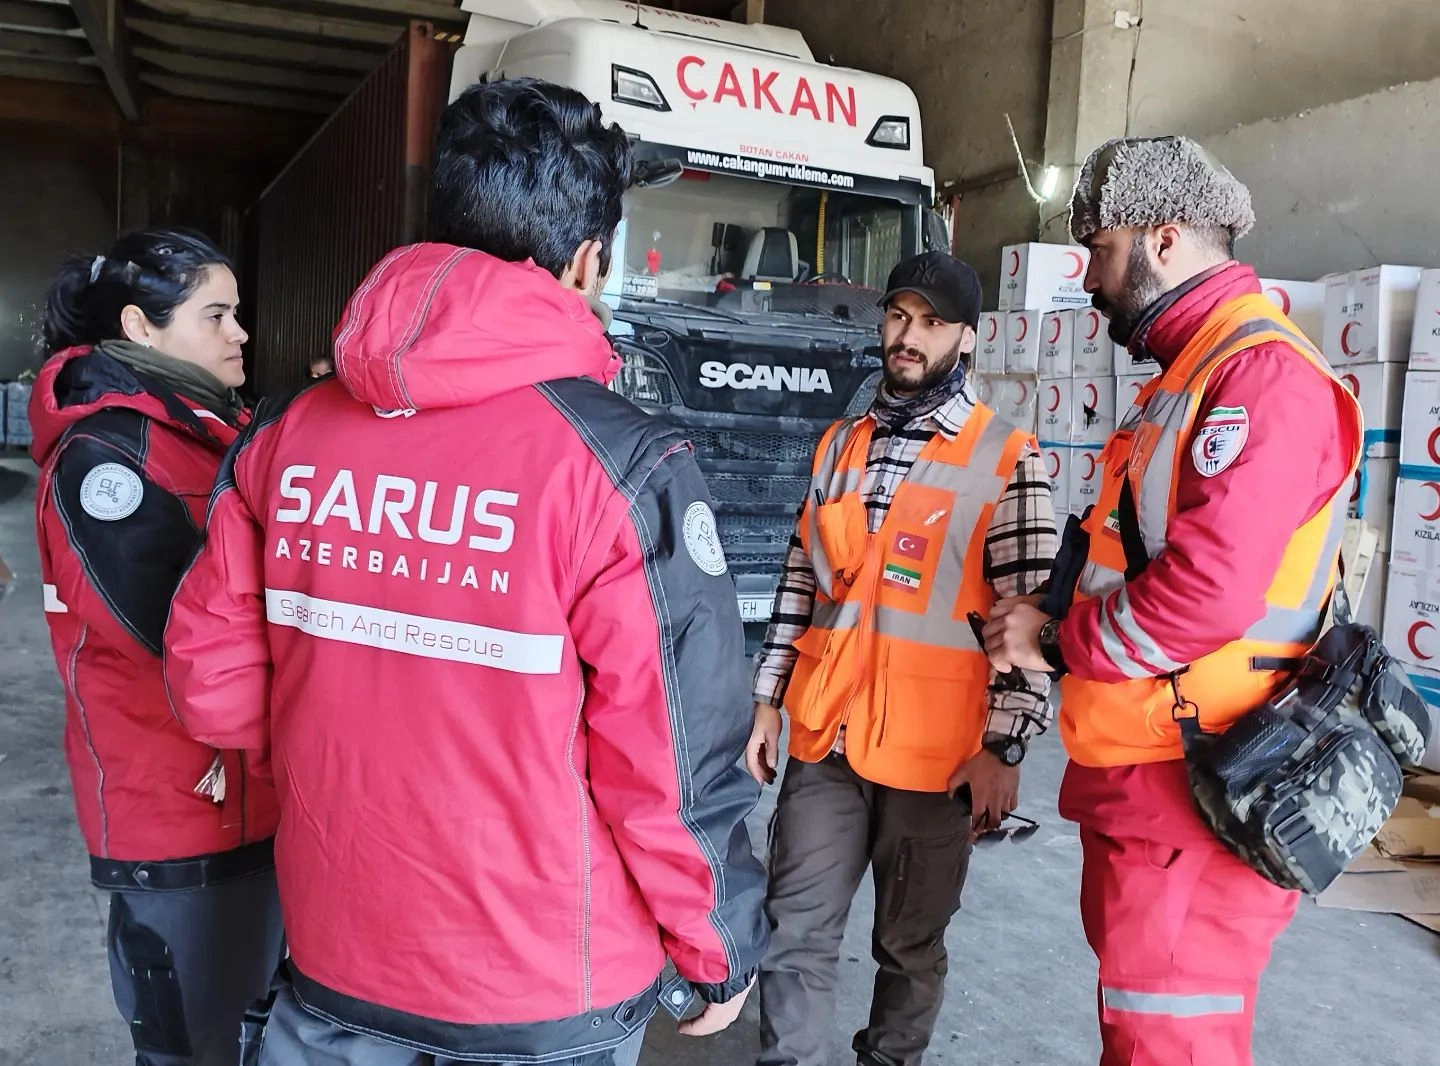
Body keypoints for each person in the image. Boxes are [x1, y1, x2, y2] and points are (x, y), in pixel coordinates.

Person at [162, 77, 768, 1066]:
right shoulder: (622, 465)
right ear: (585, 261)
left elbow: (212, 690)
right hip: (540, 994)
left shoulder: (282, 434)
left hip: (334, 958)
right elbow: (670, 760)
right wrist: (719, 946)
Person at [982, 136, 1363, 1066]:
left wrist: (1059, 644)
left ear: (1162, 240)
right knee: (1144, 1030)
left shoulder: (1256, 378)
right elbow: (1140, 553)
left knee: (1170, 1042)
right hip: (1156, 774)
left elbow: (1206, 596)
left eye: (1101, 253)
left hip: (1201, 780)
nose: (1090, 281)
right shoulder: (1192, 376)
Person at [745, 251, 1059, 1066]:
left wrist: (1005, 746)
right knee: (795, 931)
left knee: (908, 951)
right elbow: (798, 577)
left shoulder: (1007, 458)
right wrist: (770, 693)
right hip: (827, 737)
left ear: (965, 337)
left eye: (931, 323)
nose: (907, 338)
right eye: (898, 317)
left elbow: (1033, 617)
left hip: (936, 758)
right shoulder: (840, 445)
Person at [29, 229, 284, 1065]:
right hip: (181, 823)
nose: (239, 333)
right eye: (216, 315)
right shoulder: (105, 457)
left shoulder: (209, 433)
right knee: (196, 1050)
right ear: (141, 328)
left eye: (236, 314)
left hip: (251, 807)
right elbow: (178, 636)